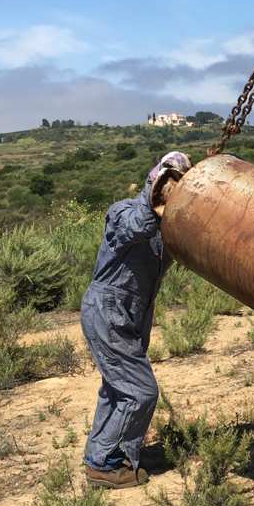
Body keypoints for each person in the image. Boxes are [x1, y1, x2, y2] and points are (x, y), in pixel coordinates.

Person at [82, 151, 193, 488]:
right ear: (154, 180)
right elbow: (136, 225)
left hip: (131, 312)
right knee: (140, 391)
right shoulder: (123, 211)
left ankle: (104, 457)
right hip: (108, 308)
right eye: (167, 181)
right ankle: (105, 464)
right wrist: (156, 199)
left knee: (116, 390)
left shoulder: (166, 228)